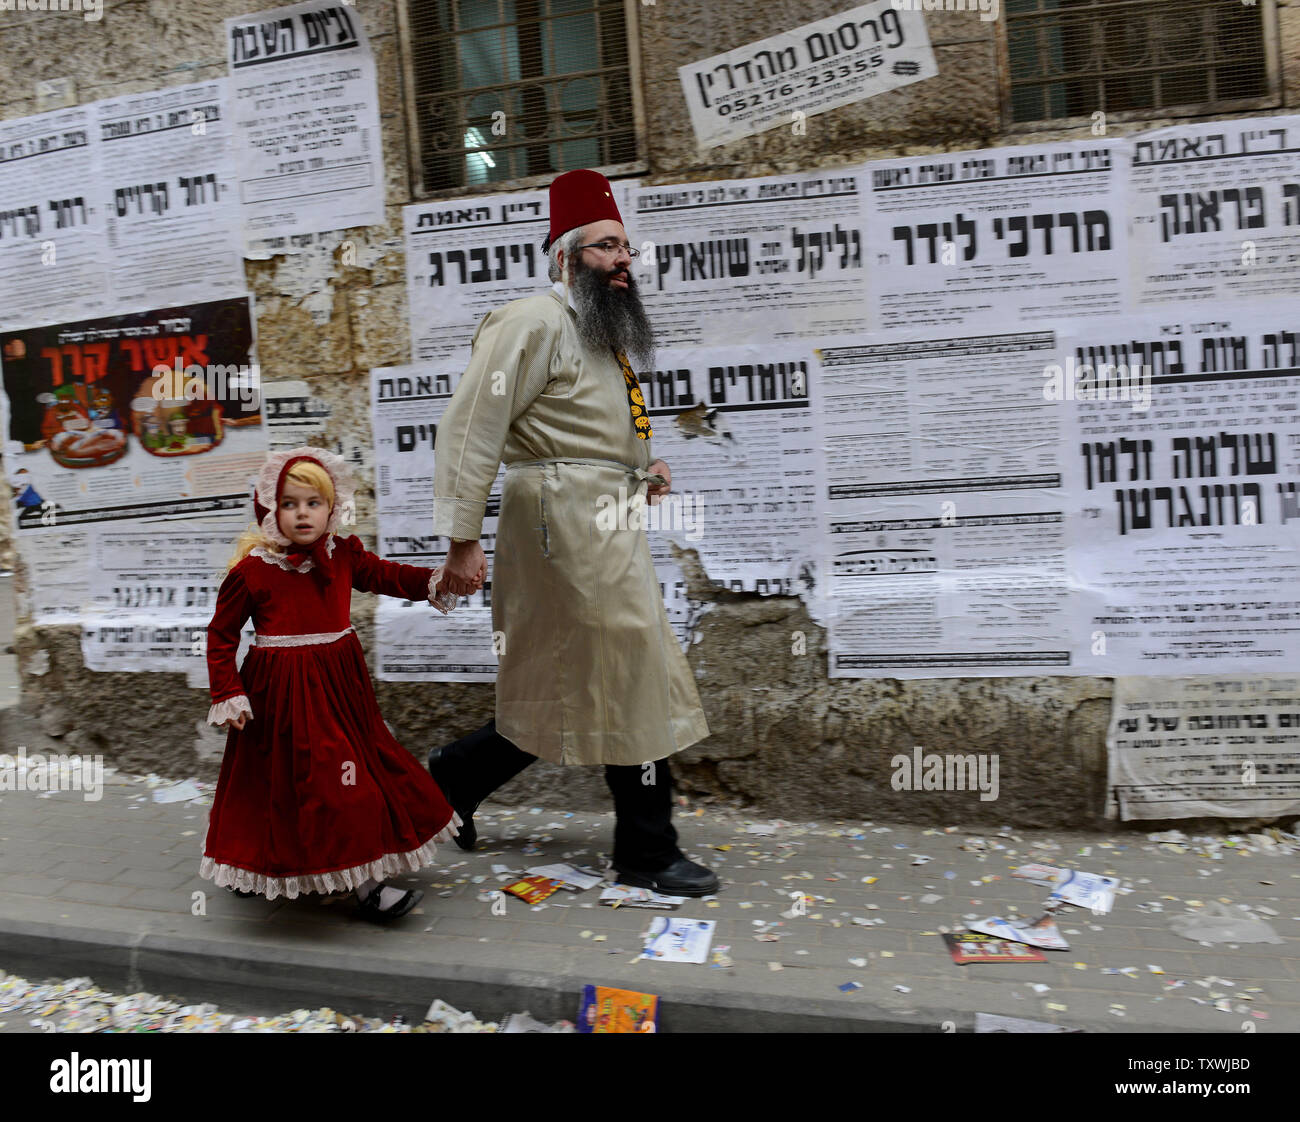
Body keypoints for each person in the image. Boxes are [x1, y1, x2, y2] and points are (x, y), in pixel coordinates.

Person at [427, 169, 718, 897]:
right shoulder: (530, 320)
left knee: (571, 678)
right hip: (563, 522)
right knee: (633, 666)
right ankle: (647, 851)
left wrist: (638, 467)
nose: (623, 260)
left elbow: (584, 431)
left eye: (626, 247)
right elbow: (471, 428)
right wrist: (462, 537)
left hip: (601, 516)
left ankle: (451, 777)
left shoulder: (597, 331)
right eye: (605, 247)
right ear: (564, 257)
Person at [201, 447, 470, 920]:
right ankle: (265, 865)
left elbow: (387, 575)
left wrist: (439, 580)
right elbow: (221, 636)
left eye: (313, 502)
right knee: (277, 787)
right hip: (280, 696)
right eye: (288, 503)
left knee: (352, 781)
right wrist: (228, 691)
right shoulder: (253, 572)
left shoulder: (343, 553)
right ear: (269, 509)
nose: (302, 513)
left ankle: (364, 881)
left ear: (332, 507)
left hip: (340, 691)